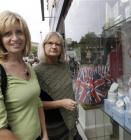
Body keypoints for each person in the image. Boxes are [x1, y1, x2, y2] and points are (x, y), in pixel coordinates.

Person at [0, 10, 48, 140]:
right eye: (7, 34)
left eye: (19, 32)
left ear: (25, 35)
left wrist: (44, 134)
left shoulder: (28, 67)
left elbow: (37, 102)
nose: (15, 38)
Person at [34, 32, 82, 140]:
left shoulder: (65, 66)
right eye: (50, 43)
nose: (54, 46)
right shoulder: (36, 71)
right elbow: (35, 103)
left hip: (69, 123)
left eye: (58, 44)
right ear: (43, 46)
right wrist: (61, 103)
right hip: (51, 127)